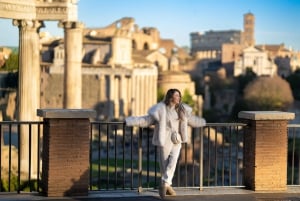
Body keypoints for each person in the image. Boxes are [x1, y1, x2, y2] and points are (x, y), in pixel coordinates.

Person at [125, 88, 206, 199]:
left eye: (179, 96)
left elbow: (191, 120)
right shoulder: (161, 110)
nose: (179, 98)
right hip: (164, 140)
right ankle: (167, 185)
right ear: (170, 97)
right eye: (176, 96)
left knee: (173, 162)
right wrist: (130, 121)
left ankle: (164, 182)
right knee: (164, 165)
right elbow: (146, 120)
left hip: (177, 140)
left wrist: (202, 122)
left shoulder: (181, 110)